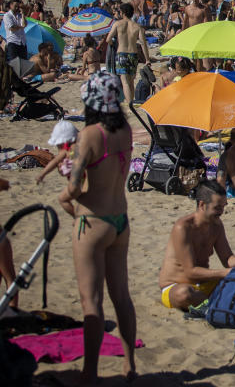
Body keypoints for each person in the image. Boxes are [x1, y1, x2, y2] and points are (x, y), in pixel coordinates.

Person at [56, 72, 137, 383]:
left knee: (91, 301)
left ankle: (89, 372)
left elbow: (76, 188)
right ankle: (130, 365)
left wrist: (64, 194)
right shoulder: (126, 130)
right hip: (120, 220)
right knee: (122, 297)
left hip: (93, 221)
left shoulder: (90, 133)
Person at [157, 180, 235, 310]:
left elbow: (227, 259)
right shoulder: (183, 227)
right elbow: (190, 272)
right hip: (176, 285)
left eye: (223, 207)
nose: (221, 212)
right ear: (202, 205)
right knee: (183, 294)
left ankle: (214, 303)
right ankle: (219, 303)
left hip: (204, 284)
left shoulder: (216, 225)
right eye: (217, 207)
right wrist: (226, 273)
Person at [103, 2, 150, 108]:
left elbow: (108, 39)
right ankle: (131, 102)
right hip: (133, 55)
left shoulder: (117, 24)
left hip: (121, 54)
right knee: (131, 81)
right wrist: (147, 59)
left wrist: (114, 45)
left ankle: (129, 105)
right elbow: (143, 44)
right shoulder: (137, 26)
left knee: (124, 82)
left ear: (123, 12)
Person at [35, 119, 79, 184]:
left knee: (70, 191)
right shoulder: (69, 149)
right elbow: (55, 161)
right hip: (79, 180)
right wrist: (42, 174)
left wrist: (42, 174)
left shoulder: (70, 150)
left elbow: (55, 161)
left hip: (80, 181)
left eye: (58, 145)